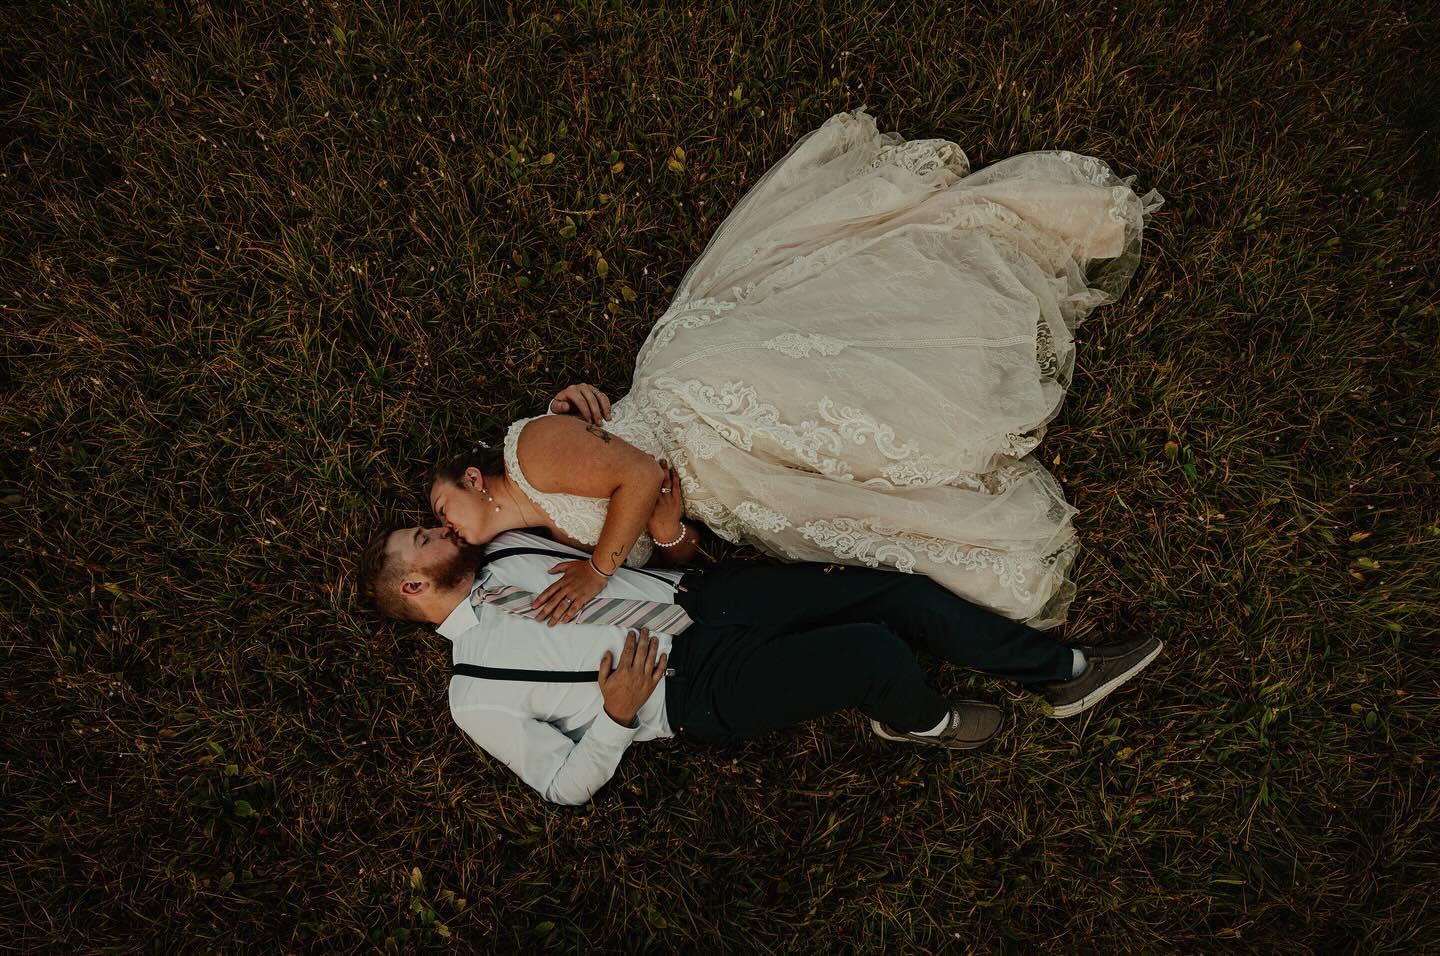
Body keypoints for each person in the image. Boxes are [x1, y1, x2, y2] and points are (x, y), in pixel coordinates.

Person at [432, 106, 1164, 631]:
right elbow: (675, 549)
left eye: (439, 513)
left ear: (473, 479)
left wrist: (598, 572)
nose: (446, 529)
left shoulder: (531, 452)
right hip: (725, 486)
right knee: (871, 501)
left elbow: (639, 472)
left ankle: (984, 346)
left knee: (869, 390)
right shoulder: (549, 538)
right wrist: (671, 531)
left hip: (705, 407)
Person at [358, 524, 1163, 806]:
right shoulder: (475, 693)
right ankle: (922, 720)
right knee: (874, 652)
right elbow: (562, 786)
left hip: (712, 597)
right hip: (691, 691)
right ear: (415, 587)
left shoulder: (507, 546)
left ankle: (1065, 671)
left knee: (899, 593)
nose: (440, 532)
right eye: (423, 540)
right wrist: (615, 715)